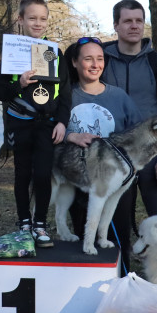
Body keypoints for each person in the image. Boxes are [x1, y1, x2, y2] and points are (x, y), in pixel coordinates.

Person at [0, 0, 70, 247]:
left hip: (47, 126)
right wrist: (19, 84)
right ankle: (24, 223)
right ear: (20, 19)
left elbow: (66, 93)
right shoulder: (12, 52)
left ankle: (41, 225)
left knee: (44, 175)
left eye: (43, 19)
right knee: (23, 174)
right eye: (32, 18)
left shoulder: (55, 52)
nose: (38, 23)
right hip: (20, 125)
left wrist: (62, 123)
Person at [64, 37, 142, 272]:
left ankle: (122, 285)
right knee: (83, 239)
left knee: (118, 240)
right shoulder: (66, 96)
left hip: (115, 181)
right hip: (80, 179)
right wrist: (72, 135)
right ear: (75, 63)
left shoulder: (118, 96)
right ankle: (87, 291)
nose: (95, 64)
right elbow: (52, 129)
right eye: (88, 59)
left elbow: (137, 134)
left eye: (100, 59)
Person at [102, 0, 157, 217]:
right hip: (113, 156)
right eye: (128, 21)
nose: (134, 26)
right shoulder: (102, 61)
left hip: (152, 155)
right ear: (116, 25)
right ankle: (122, 253)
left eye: (139, 20)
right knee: (114, 228)